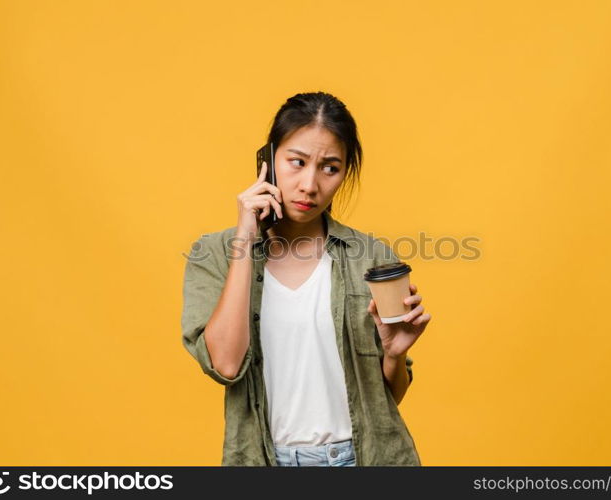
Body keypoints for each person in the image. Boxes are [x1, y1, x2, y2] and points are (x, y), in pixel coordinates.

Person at [181, 91, 431, 466]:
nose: (310, 185)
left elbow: (386, 402)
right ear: (267, 160)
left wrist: (395, 355)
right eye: (296, 162)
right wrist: (245, 239)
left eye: (330, 167)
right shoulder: (213, 254)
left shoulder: (372, 258)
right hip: (266, 460)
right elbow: (227, 365)